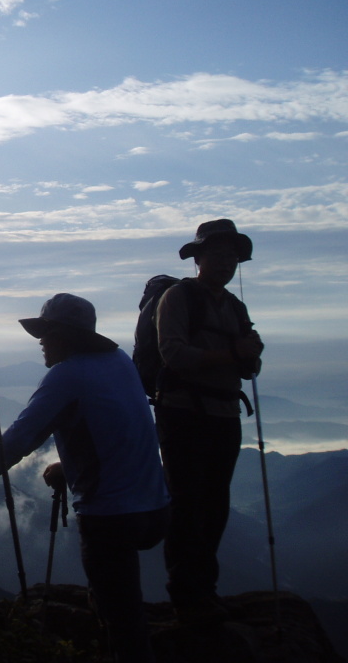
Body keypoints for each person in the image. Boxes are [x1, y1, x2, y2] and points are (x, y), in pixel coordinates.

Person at [0, 294, 170, 663]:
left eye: (47, 333)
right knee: (119, 605)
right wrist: (68, 467)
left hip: (111, 517)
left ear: (66, 337)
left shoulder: (67, 376)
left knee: (124, 623)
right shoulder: (119, 362)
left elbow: (21, 439)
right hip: (156, 508)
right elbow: (120, 432)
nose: (41, 341)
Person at [154, 219, 264, 624]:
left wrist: (248, 354)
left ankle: (205, 590)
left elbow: (249, 366)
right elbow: (174, 355)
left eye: (233, 256)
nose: (226, 263)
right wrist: (235, 353)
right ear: (198, 258)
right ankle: (186, 594)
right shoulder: (178, 298)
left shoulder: (234, 307)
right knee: (187, 503)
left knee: (215, 504)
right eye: (218, 255)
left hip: (223, 413)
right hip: (183, 412)